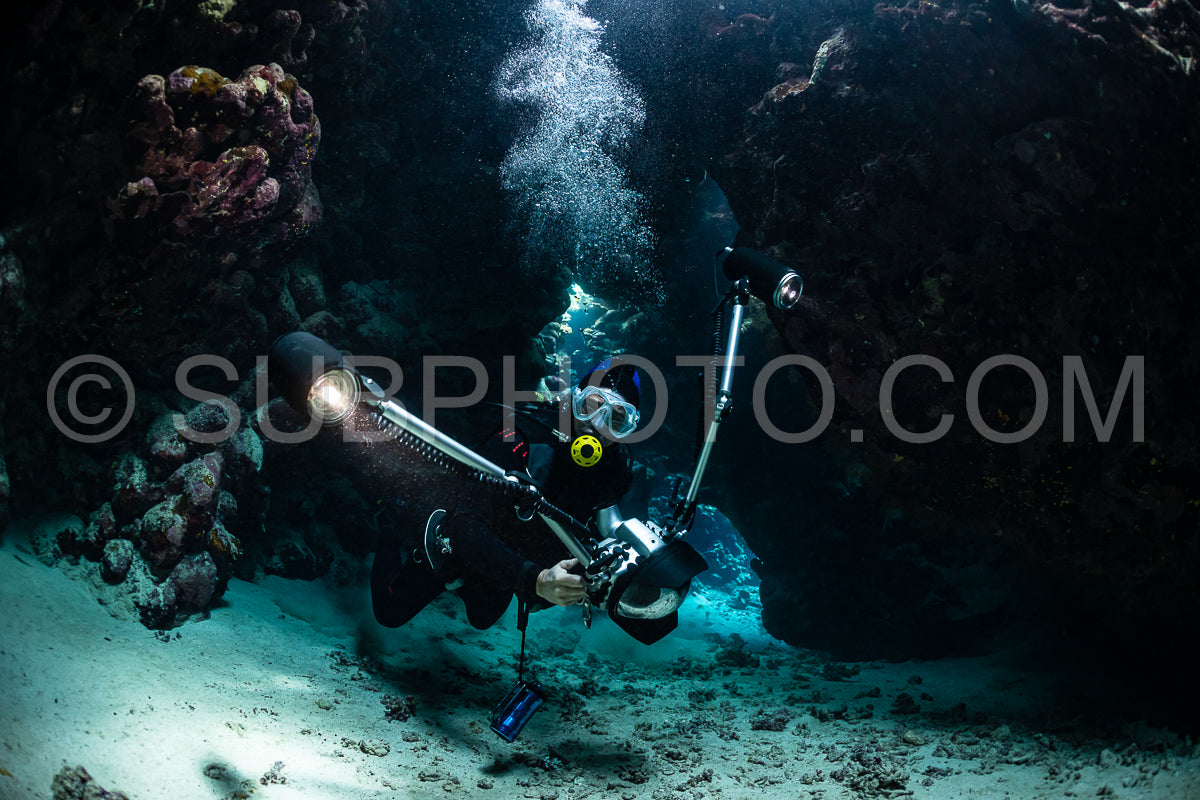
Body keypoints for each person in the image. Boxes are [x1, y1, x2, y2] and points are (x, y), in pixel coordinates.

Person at [370, 358, 643, 630]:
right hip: (458, 534)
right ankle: (391, 520)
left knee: (482, 619)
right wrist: (535, 579)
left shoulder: (613, 474)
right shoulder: (521, 436)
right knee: (389, 611)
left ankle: (469, 581)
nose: (597, 425)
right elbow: (464, 525)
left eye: (617, 420)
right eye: (590, 408)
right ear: (573, 400)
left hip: (510, 553)